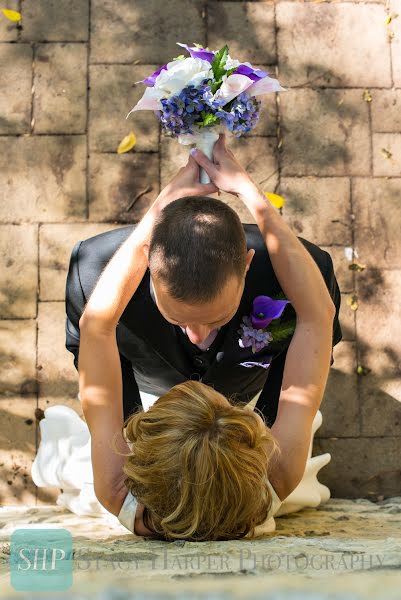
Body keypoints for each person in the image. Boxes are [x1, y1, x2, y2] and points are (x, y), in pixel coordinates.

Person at [66, 133, 341, 540]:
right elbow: (318, 317)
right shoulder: (274, 481)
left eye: (217, 318)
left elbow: (95, 325)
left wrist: (160, 209)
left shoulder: (114, 493)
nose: (197, 337)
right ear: (249, 448)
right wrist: (249, 191)